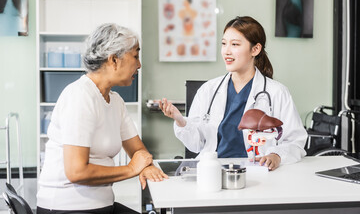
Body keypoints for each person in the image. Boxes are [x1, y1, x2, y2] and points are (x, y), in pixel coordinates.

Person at [37, 23, 168, 214]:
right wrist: (132, 169)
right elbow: (76, 172)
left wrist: (145, 166)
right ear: (114, 60)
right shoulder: (80, 96)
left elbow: (138, 151)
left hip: (100, 205)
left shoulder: (115, 101)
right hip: (66, 208)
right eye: (135, 56)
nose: (139, 64)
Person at [159, 16, 307, 171]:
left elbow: (296, 141)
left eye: (235, 44)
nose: (226, 51)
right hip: (214, 171)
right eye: (224, 44)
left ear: (255, 49)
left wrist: (276, 155)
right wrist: (180, 120)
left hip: (258, 171)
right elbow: (196, 145)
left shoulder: (277, 92)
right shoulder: (208, 90)